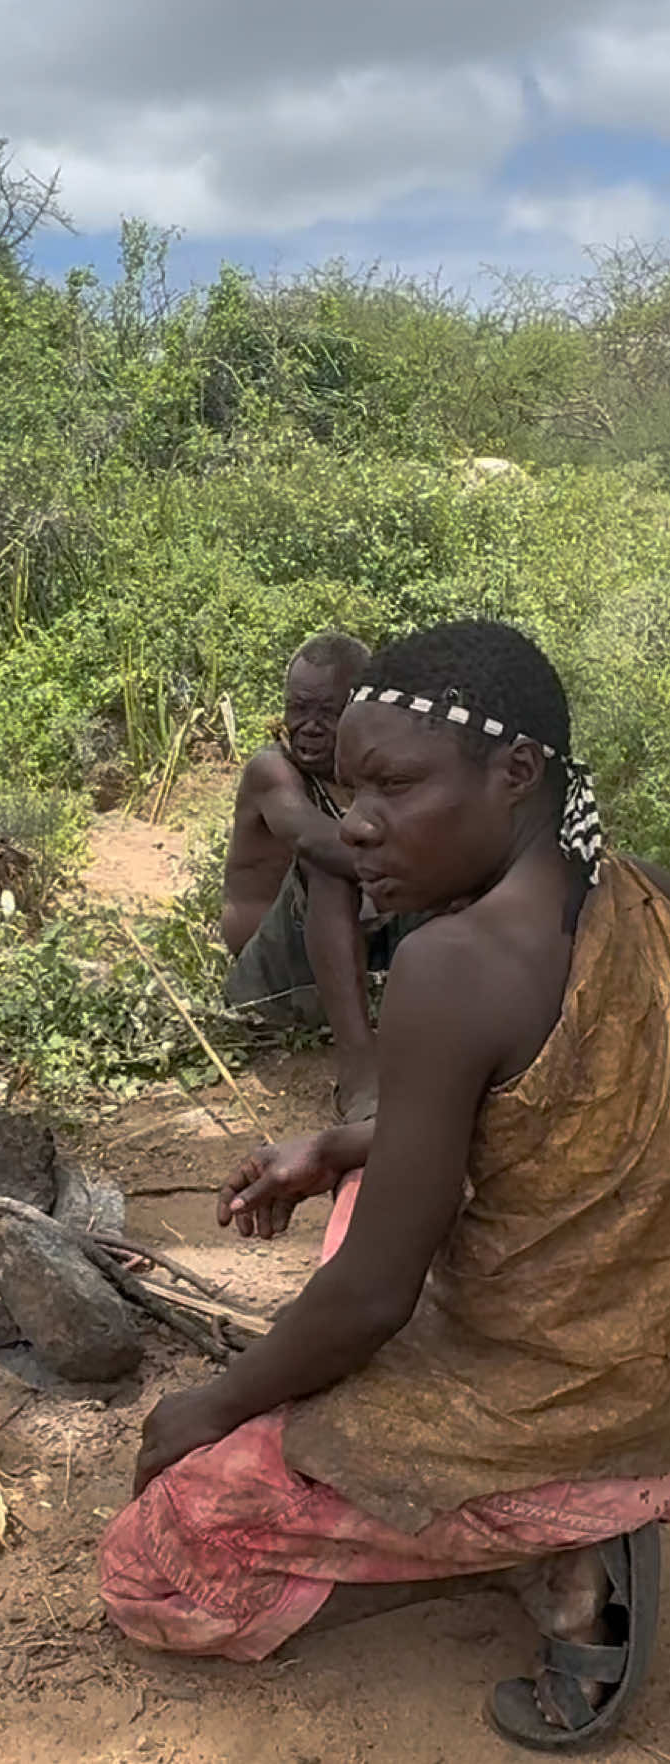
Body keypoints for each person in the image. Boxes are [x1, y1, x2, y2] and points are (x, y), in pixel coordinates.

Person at [102, 619, 670, 1750]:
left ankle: (567, 1532)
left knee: (163, 1558)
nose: (358, 820)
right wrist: (344, 1145)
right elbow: (562, 1111)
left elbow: (372, 1297)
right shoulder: (634, 890)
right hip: (645, 1326)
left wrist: (209, 1407)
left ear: (515, 773)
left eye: (396, 785)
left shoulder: (451, 964)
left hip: (566, 1389)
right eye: (353, 788)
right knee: (367, 1198)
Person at [222, 633, 422, 1121]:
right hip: (272, 988)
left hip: (364, 967)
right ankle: (358, 1067)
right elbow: (315, 841)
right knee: (328, 862)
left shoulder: (372, 776)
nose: (308, 727)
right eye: (298, 709)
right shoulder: (273, 771)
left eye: (328, 713)